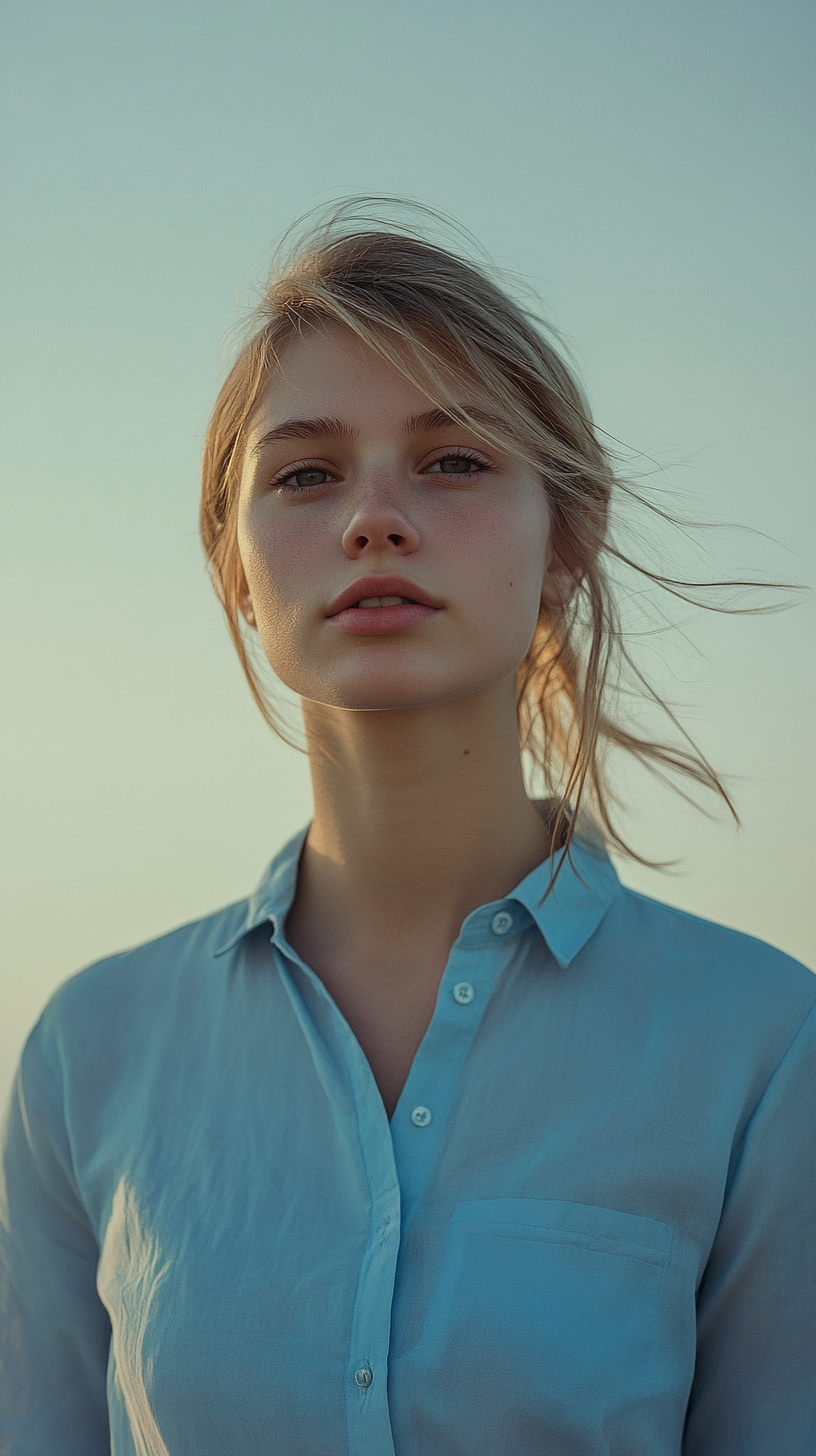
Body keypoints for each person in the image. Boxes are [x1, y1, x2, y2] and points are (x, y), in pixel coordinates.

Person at [1, 203, 814, 1456]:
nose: (373, 519)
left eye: (455, 459)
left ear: (567, 536)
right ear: (233, 560)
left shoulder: (764, 1044)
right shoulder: (86, 1057)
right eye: (307, 472)